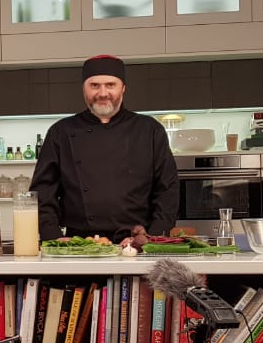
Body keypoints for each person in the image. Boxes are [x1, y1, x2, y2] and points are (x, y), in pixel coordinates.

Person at [29, 54, 179, 248]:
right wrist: (53, 237)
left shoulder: (149, 130)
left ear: (123, 88)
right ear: (84, 88)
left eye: (110, 85)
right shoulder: (61, 132)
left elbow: (168, 191)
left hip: (135, 245)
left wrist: (151, 238)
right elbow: (42, 193)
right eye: (94, 85)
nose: (102, 93)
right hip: (79, 246)